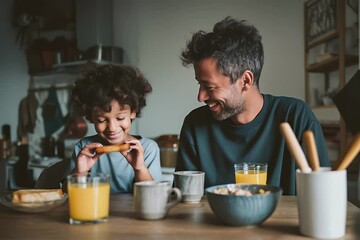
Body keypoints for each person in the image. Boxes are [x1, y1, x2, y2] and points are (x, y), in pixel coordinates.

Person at [176, 16, 330, 195]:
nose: (200, 96)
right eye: (199, 85)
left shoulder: (296, 117)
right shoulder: (195, 125)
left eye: (209, 87)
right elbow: (184, 203)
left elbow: (324, 194)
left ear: (245, 81)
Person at [60, 64, 162, 193]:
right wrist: (81, 172)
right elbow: (65, 194)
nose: (112, 128)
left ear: (133, 111)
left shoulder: (148, 149)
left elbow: (153, 195)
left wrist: (140, 168)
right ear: (91, 117)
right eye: (101, 120)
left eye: (120, 118)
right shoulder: (84, 148)